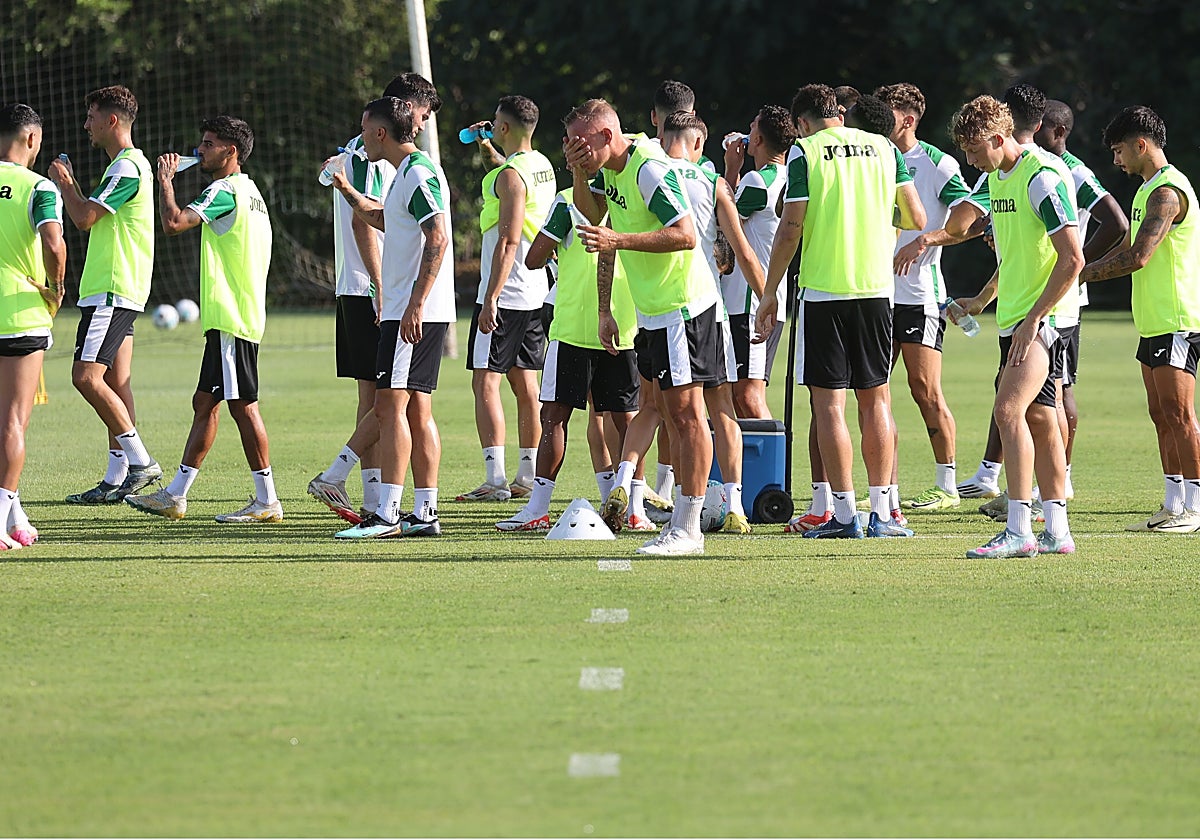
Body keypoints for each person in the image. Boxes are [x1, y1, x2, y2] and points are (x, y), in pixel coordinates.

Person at [756, 83, 926, 539]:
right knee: (876, 400)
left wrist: (769, 291)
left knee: (829, 404)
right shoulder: (884, 147)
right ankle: (886, 514)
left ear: (802, 123)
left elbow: (791, 225)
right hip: (875, 289)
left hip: (825, 290)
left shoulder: (805, 152)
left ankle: (845, 515)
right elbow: (916, 218)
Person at [565, 98, 722, 555]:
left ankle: (688, 528)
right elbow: (594, 216)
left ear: (604, 136)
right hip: (654, 311)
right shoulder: (609, 168)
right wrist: (579, 173)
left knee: (689, 417)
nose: (574, 152)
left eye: (579, 146)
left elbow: (685, 234)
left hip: (682, 307)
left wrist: (620, 239)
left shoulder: (647, 169)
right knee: (665, 411)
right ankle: (679, 519)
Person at [126, 116, 280, 522]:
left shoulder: (224, 190)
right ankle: (176, 494)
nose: (200, 149)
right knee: (205, 402)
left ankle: (267, 500)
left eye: (209, 143)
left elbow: (175, 223)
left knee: (243, 407)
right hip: (234, 317)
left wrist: (164, 181)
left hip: (232, 319)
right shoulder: (252, 192)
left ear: (231, 151)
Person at [948, 95, 1082, 557]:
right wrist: (984, 300)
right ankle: (1058, 530)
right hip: (1017, 319)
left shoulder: (1040, 178)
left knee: (1008, 412)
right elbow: (1016, 257)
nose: (969, 159)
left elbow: (1073, 258)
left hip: (1043, 323)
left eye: (973, 149)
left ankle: (1020, 529)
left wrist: (1034, 320)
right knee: (1043, 422)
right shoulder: (998, 178)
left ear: (999, 138)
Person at [307, 73, 443, 522]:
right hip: (401, 303)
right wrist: (345, 188)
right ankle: (420, 513)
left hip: (406, 307)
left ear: (381, 130)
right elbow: (383, 219)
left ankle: (383, 511)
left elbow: (438, 238)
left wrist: (413, 303)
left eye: (365, 130)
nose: (359, 138)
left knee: (391, 405)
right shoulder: (406, 170)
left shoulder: (418, 170)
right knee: (398, 405)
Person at [1079, 106, 1200, 533]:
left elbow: (1138, 256)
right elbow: (1125, 245)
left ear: (1141, 145)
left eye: (1118, 150)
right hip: (1152, 321)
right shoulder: (1147, 190)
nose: (1116, 160)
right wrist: (1082, 267)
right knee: (1160, 413)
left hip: (1176, 318)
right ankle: (1174, 502)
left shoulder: (1168, 193)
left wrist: (1077, 274)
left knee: (1180, 413)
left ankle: (1196, 506)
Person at [495, 187, 639, 532]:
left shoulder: (567, 200)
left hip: (574, 326)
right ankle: (634, 510)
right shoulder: (632, 197)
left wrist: (560, 247)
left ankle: (538, 509)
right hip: (625, 325)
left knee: (555, 418)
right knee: (627, 421)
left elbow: (533, 259)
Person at [46, 85, 160, 504]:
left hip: (112, 287)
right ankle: (117, 478)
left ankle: (141, 461)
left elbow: (83, 218)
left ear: (112, 120)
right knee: (116, 382)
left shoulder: (127, 168)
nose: (86, 125)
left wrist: (65, 183)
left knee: (85, 377)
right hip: (118, 287)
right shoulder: (127, 166)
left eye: (92, 116)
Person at [874, 83, 972, 512]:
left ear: (908, 120)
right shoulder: (874, 157)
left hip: (920, 295)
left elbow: (971, 214)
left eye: (889, 115)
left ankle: (946, 484)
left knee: (924, 389)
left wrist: (924, 240)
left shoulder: (937, 163)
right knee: (876, 392)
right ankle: (885, 488)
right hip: (876, 292)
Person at [458, 95, 557, 503]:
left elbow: (509, 239)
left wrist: (491, 297)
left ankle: (495, 478)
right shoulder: (540, 166)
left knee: (485, 381)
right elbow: (507, 179)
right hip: (536, 289)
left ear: (503, 126)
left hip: (507, 289)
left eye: (495, 123)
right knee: (525, 383)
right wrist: (487, 149)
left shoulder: (513, 175)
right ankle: (527, 475)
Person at [1033, 98, 1130, 497]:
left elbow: (1116, 221)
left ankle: (1060, 479)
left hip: (1064, 299)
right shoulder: (1032, 170)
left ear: (1058, 132)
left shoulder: (1072, 171)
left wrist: (1079, 267)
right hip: (1043, 293)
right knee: (1044, 389)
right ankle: (1047, 482)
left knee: (1057, 388)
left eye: (1039, 128)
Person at [0, 103, 66, 549]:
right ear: (32, 140)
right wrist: (57, 288)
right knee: (13, 423)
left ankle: (13, 514)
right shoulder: (39, 187)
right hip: (19, 314)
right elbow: (54, 243)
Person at [721, 104, 795, 419]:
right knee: (740, 394)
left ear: (760, 140)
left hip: (750, 300)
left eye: (752, 127)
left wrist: (730, 170)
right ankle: (749, 468)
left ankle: (771, 467)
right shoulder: (788, 178)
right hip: (770, 297)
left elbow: (724, 224)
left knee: (748, 396)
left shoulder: (756, 180)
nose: (747, 131)